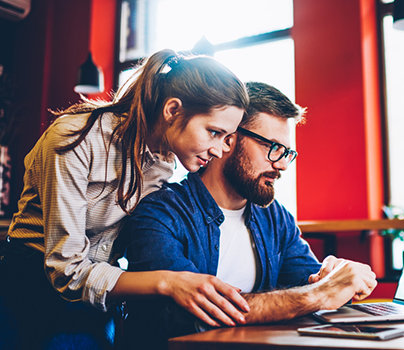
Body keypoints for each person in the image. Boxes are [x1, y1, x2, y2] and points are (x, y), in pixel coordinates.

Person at [0, 49, 251, 350]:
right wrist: (169, 283)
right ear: (172, 110)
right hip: (29, 280)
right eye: (214, 132)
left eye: (227, 138)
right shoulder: (73, 139)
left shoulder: (164, 164)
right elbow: (65, 269)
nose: (221, 149)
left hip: (95, 292)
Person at [122, 82, 377, 348]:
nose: (281, 165)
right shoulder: (160, 212)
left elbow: (313, 285)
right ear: (229, 138)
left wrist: (336, 277)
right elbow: (188, 315)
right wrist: (318, 294)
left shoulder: (275, 218)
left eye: (287, 153)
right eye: (272, 147)